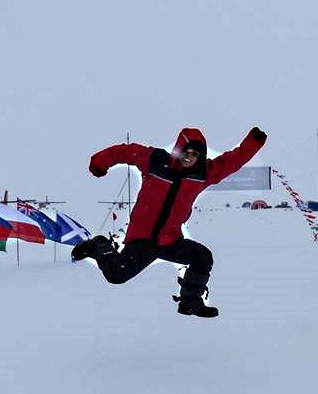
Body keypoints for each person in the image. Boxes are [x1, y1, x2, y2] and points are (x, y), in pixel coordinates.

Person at [73, 127, 267, 318]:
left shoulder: (202, 174)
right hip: (142, 240)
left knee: (202, 257)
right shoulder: (156, 160)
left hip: (170, 241)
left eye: (196, 154)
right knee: (116, 275)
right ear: (179, 148)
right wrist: (100, 162)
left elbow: (231, 161)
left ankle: (190, 303)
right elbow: (124, 151)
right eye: (187, 151)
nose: (190, 157)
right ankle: (98, 245)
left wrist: (253, 143)